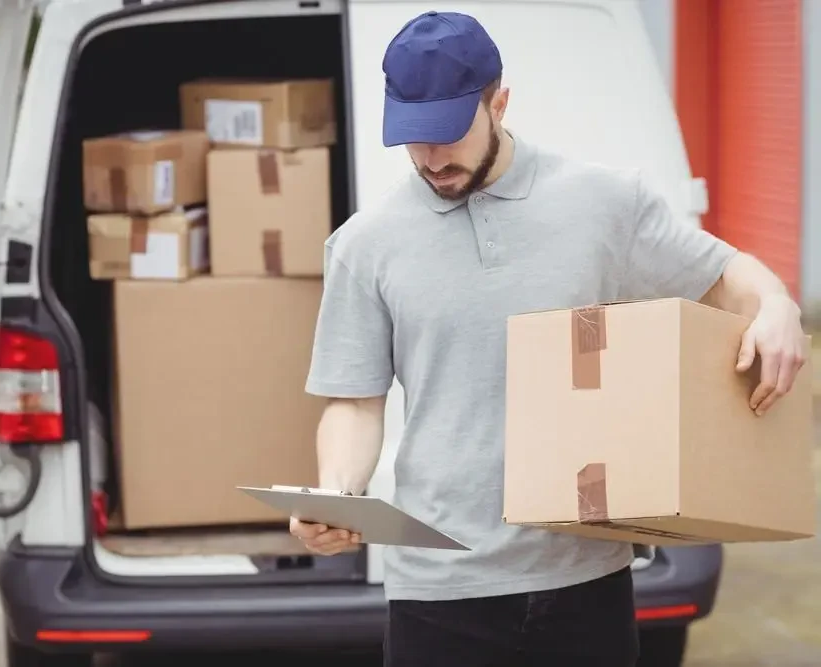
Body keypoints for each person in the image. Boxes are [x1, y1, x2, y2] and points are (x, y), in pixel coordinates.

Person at [289, 9, 808, 667]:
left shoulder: (599, 203)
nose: (430, 159)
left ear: (499, 102)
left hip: (583, 580)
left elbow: (726, 275)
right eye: (412, 138)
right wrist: (338, 490)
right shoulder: (366, 245)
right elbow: (353, 400)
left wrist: (776, 304)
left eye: (447, 134)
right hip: (438, 589)